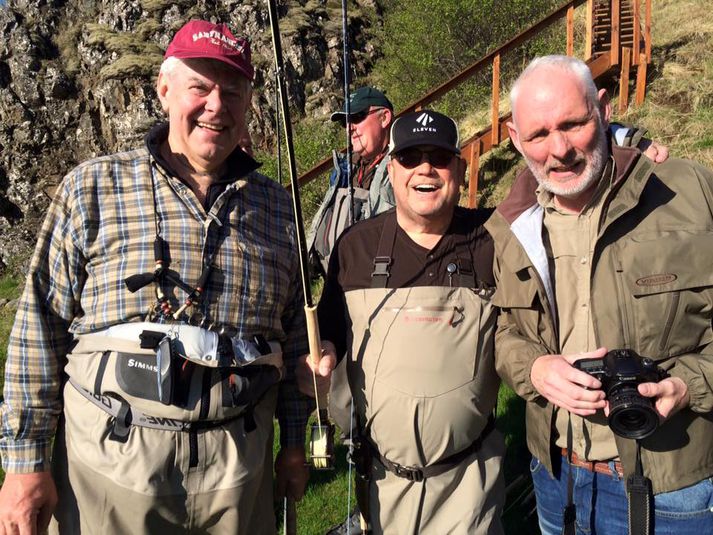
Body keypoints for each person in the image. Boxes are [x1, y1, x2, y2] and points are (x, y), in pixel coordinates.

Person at [0, 20, 314, 535]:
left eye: (232, 92)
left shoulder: (279, 209)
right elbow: (39, 328)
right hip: (109, 473)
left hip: (240, 472)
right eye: (200, 87)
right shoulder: (91, 188)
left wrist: (296, 446)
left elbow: (295, 337)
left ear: (248, 105)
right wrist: (25, 464)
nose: (216, 105)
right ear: (163, 90)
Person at [485, 54, 713, 534]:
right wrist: (534, 367)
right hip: (556, 479)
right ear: (514, 138)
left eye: (573, 123)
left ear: (603, 109)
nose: (560, 149)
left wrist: (688, 384)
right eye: (538, 135)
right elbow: (504, 330)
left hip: (675, 482)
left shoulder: (689, 193)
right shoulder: (510, 226)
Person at [308, 110, 505, 534]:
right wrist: (322, 354)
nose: (425, 169)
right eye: (411, 157)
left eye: (439, 156)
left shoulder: (495, 240)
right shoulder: (355, 248)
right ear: (392, 168)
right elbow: (328, 335)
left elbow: (557, 182)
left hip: (469, 485)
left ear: (459, 166)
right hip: (380, 486)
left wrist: (621, 138)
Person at [308, 86, 396, 276]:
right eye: (345, 122)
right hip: (333, 282)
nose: (349, 127)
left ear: (385, 117)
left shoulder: (404, 165)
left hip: (377, 283)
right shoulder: (344, 168)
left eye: (357, 117)